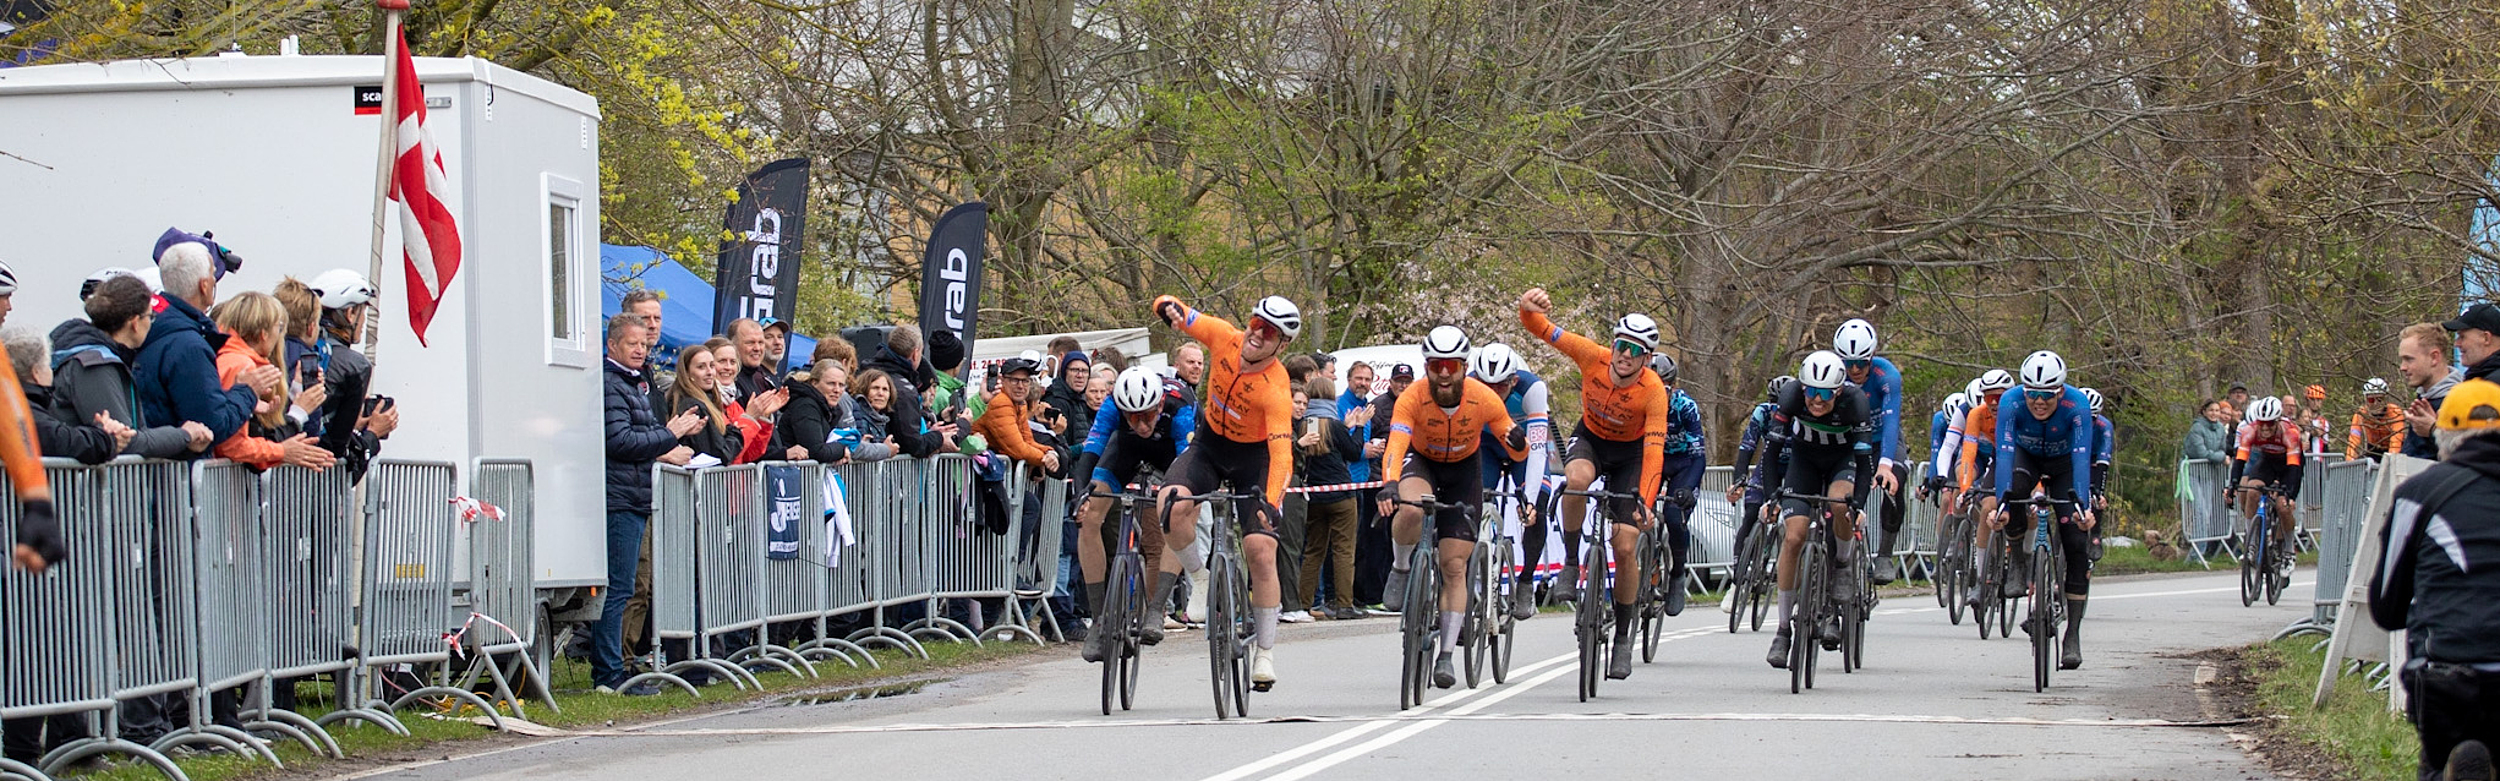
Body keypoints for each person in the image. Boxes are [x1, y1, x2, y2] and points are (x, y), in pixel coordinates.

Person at [1516, 288, 1669, 681]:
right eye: (1621, 346)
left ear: (1647, 359)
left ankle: (1623, 637)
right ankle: (1570, 562)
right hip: (1591, 440)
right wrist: (1529, 308)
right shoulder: (1591, 355)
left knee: (1625, 546)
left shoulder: (1653, 391)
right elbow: (1540, 327)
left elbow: (1654, 452)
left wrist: (1645, 501)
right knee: (1576, 480)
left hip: (1631, 455)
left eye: (1635, 351)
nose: (1625, 355)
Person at [1148, 293, 1300, 690]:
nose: (1257, 334)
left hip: (1255, 459)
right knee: (1169, 504)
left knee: (1260, 549)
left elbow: (1282, 455)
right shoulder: (1224, 337)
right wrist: (1166, 307)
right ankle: (1199, 577)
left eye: (1269, 333)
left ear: (1282, 345)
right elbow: (1179, 310)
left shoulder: (1277, 388)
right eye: (1256, 323)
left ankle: (1265, 651)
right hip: (1210, 446)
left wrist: (1272, 502)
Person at [2368, 378, 2500, 781]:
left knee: (2440, 760)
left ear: (2442, 436)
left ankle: (2446, 770)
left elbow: (2387, 609)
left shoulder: (2417, 494)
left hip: (2447, 672)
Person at [1378, 326, 1524, 688]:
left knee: (1454, 566)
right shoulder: (1411, 397)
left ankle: (1445, 653)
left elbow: (1514, 445)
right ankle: (1400, 566)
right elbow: (1396, 443)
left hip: (1464, 469)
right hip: (1422, 460)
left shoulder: (1483, 397)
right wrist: (1390, 482)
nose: (1444, 373)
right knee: (1411, 508)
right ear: (1426, 366)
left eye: (1452, 366)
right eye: (1436, 365)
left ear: (1464, 367)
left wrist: (1518, 443)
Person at [596, 314, 699, 696]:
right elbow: (620, 440)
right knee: (619, 589)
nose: (640, 350)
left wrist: (671, 434)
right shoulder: (611, 384)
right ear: (612, 345)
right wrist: (670, 434)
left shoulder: (635, 382)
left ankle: (619, 668)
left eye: (644, 344)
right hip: (620, 496)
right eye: (632, 344)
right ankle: (609, 673)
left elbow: (641, 435)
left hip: (635, 494)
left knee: (629, 587)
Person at [1755, 351, 1876, 668]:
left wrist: (1858, 504)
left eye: (1825, 393)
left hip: (1843, 462)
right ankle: (1783, 630)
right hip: (1804, 462)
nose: (1817, 400)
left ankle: (1843, 563)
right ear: (1802, 387)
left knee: (1839, 504)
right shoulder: (1791, 395)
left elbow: (1865, 462)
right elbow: (1771, 453)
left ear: (1839, 390)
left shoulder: (1855, 402)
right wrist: (1771, 498)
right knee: (1793, 537)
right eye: (1811, 391)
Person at [1069, 367, 1195, 659]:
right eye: (1132, 417)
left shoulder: (1179, 406)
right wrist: (1080, 494)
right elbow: (1091, 451)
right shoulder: (1112, 404)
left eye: (1147, 416)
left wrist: (1177, 499)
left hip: (1172, 451)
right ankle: (1099, 621)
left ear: (1159, 405)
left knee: (1178, 514)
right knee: (1089, 517)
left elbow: (1187, 463)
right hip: (1126, 449)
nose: (1141, 424)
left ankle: (1156, 609)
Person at [1986, 351, 2098, 670]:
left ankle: (2072, 634)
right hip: (2026, 458)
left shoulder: (2077, 405)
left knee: (2075, 541)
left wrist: (2083, 508)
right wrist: (2002, 505)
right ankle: (2018, 562)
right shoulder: (2011, 402)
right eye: (2032, 394)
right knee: (2014, 494)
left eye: (2046, 395)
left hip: (2065, 466)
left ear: (2060, 391)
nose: (2038, 402)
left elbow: (2081, 458)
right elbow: (2004, 454)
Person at [50, 274, 214, 459]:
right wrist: (185, 435)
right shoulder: (95, 365)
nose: (151, 323)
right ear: (135, 323)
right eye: (150, 317)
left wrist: (185, 444)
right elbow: (126, 442)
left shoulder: (104, 357)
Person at [136, 240, 274, 458]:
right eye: (212, 275)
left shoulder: (150, 328)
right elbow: (211, 425)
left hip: (151, 466)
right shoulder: (189, 345)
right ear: (204, 285)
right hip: (178, 472)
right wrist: (246, 392)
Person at [207, 293, 335, 471]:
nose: (280, 336)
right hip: (221, 481)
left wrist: (295, 390)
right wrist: (281, 451)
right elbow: (232, 446)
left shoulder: (226, 358)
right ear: (263, 334)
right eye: (279, 327)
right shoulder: (242, 365)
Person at [1473, 343, 1552, 621]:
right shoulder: (1467, 386)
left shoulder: (1533, 389)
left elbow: (1538, 450)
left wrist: (1529, 499)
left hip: (1524, 447)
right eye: (1487, 386)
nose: (1493, 393)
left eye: (1501, 387)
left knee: (1537, 507)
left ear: (1514, 381)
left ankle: (1527, 580)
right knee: (1470, 501)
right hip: (1485, 446)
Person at [1833, 319, 1911, 584]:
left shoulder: (1887, 376)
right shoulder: (1834, 375)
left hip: (1882, 440)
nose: (1854, 369)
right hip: (1850, 442)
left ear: (1872, 357)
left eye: (1861, 363)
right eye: (1848, 363)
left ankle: (1885, 555)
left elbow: (1891, 421)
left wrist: (1886, 464)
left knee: (1894, 480)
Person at [1295, 373, 1364, 621]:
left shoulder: (1303, 425)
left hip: (1314, 495)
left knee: (1314, 550)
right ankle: (1344, 604)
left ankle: (1303, 603)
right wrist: (1358, 427)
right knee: (1344, 549)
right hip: (1341, 494)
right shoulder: (1334, 425)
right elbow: (1354, 452)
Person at [1725, 374, 1795, 614]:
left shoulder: (1801, 417)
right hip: (1769, 465)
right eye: (1774, 404)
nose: (1778, 411)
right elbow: (1747, 447)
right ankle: (1738, 580)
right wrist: (1739, 480)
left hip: (1796, 467)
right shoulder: (1762, 413)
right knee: (1751, 514)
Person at [6, 327, 128, 464]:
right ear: (36, 373)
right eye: (48, 366)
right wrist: (107, 438)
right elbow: (62, 441)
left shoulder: (19, 405)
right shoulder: (21, 410)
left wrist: (100, 432)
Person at [1647, 352, 1708, 613]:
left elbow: (1699, 456)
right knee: (1637, 512)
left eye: (1663, 388)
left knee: (1674, 517)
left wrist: (1687, 488)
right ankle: (1646, 567)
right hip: (1654, 461)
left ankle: (1678, 573)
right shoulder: (1640, 404)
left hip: (1684, 463)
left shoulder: (1685, 406)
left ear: (1673, 386)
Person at [2229, 396, 2303, 577]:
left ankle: (2288, 551)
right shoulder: (2250, 430)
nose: (2264, 428)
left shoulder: (2290, 433)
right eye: (2261, 423)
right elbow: (2240, 461)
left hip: (2289, 465)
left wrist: (2290, 495)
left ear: (2277, 421)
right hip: (2268, 461)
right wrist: (2232, 485)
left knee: (2283, 506)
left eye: (2269, 424)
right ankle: (2251, 543)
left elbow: (2294, 468)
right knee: (2252, 489)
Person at [864, 325, 957, 458]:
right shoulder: (904, 390)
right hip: (891, 467)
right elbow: (913, 444)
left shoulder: (866, 373)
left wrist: (936, 425)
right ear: (915, 353)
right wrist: (940, 437)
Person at [703, 339, 787, 464]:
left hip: (736, 476)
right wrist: (749, 418)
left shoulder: (733, 405)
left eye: (732, 362)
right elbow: (727, 453)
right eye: (722, 361)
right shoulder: (704, 403)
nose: (728, 367)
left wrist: (763, 417)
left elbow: (750, 454)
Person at [659, 344, 744, 463]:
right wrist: (735, 433)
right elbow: (718, 455)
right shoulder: (693, 407)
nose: (710, 372)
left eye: (712, 365)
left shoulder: (705, 401)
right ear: (687, 373)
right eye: (701, 367)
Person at [974, 355, 1057, 474]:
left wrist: (1049, 452)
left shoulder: (1020, 402)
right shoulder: (999, 401)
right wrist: (1044, 459)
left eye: (1025, 381)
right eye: (1014, 380)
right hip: (977, 470)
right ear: (1002, 380)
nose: (1020, 386)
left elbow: (1027, 441)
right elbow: (1017, 449)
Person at [2401, 322, 2467, 460]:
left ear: (2434, 357)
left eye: (2409, 359)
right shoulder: (2424, 399)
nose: (2403, 367)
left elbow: (2472, 458)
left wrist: (2433, 430)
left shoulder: (2463, 402)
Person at [724, 318, 781, 402]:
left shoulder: (758, 378)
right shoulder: (726, 380)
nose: (757, 348)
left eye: (761, 342)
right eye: (750, 342)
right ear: (733, 345)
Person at [2349, 378, 2405, 462]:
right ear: (2365, 399)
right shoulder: (2361, 414)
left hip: (2394, 448)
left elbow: (2396, 441)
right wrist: (2350, 459)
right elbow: (2353, 440)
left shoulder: (2395, 412)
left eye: (2379, 399)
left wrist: (2391, 461)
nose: (2376, 403)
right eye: (2371, 400)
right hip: (2373, 449)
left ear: (2385, 399)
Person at [2183, 399, 2232, 463]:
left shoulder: (2221, 428)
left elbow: (2222, 450)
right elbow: (2201, 453)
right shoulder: (2197, 428)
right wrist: (2222, 457)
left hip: (2214, 467)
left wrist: (2221, 456)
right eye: (2211, 410)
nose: (2214, 413)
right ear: (2204, 412)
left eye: (2217, 410)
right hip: (2195, 467)